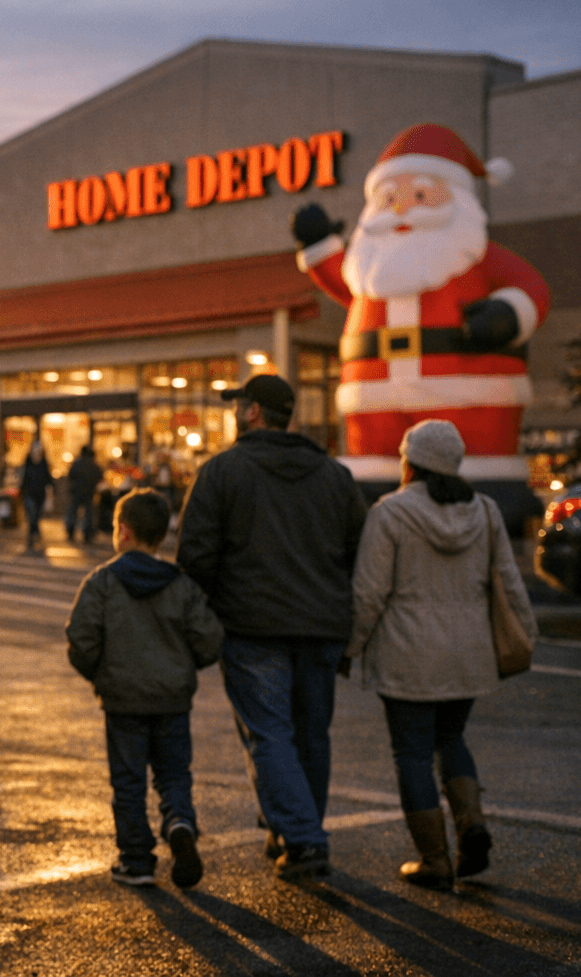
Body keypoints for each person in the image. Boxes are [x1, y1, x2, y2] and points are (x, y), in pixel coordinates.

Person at [177, 374, 367, 880]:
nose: (237, 410)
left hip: (252, 624)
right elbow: (357, 551)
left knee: (270, 734)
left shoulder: (222, 473)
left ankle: (302, 839)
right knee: (311, 734)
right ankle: (295, 825)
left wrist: (205, 615)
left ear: (254, 412)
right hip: (322, 625)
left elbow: (195, 554)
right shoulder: (334, 476)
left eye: (240, 403)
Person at [292, 122, 551, 484]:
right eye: (389, 198)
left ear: (458, 200)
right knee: (374, 472)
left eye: (419, 195)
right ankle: (371, 485)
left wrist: (510, 312)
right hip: (374, 403)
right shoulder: (371, 267)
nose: (401, 209)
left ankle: (486, 488)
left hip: (468, 398)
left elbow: (530, 285)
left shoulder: (475, 257)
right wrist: (319, 245)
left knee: (471, 465)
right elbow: (349, 280)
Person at [345, 419, 536, 889]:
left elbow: (369, 594)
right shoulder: (485, 511)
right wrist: (526, 635)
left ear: (410, 462)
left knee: (411, 753)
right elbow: (509, 582)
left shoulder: (388, 513)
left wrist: (349, 647)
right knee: (451, 739)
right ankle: (471, 825)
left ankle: (434, 859)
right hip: (469, 652)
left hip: (408, 654)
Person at [66, 490, 224, 888]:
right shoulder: (181, 584)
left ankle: (136, 858)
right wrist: (182, 667)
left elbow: (81, 640)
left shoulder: (102, 582)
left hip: (122, 701)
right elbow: (208, 639)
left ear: (123, 531)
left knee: (128, 780)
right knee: (173, 774)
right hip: (172, 699)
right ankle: (179, 823)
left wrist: (102, 675)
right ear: (161, 536)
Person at [19, 441, 55, 553]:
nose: (36, 454)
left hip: (40, 495)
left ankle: (32, 538)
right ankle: (34, 538)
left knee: (35, 518)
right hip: (29, 494)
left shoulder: (44, 464)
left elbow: (48, 479)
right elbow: (24, 479)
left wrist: (52, 491)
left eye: (38, 452)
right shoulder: (28, 464)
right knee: (33, 516)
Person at [65, 445, 104, 544]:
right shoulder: (93, 464)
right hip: (89, 492)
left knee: (73, 512)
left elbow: (70, 475)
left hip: (76, 491)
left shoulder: (77, 463)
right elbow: (100, 476)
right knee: (88, 514)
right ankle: (87, 533)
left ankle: (70, 531)